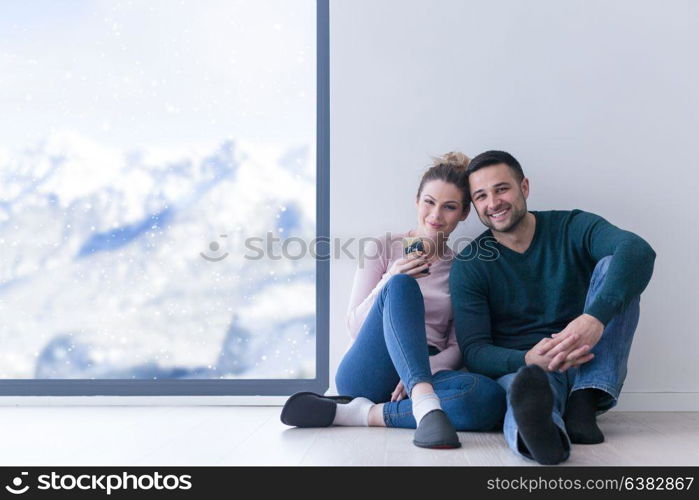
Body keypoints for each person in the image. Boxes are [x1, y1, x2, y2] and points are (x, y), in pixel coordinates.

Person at [281, 152, 506, 448]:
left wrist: (419, 374)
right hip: (371, 367)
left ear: (464, 213)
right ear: (417, 201)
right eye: (429, 202)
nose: (436, 216)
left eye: (449, 207)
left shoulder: (461, 268)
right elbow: (354, 326)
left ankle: (360, 414)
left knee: (488, 399)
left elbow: (456, 347)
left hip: (425, 370)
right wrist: (391, 278)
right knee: (402, 285)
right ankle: (425, 404)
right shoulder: (384, 247)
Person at [449, 150, 656, 464]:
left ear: (524, 187)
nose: (493, 203)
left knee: (618, 267)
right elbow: (475, 350)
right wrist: (528, 358)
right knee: (527, 396)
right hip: (531, 366)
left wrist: (594, 319)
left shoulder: (571, 226)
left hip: (590, 356)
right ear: (475, 205)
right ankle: (547, 438)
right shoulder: (471, 263)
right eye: (481, 196)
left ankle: (584, 400)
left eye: (501, 188)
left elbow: (638, 251)